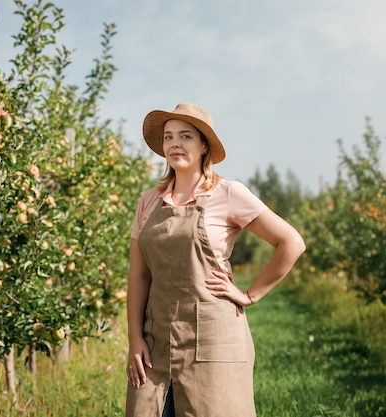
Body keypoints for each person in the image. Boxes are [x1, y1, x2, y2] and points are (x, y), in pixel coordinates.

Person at [125, 103, 306, 416]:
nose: (175, 144)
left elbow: (291, 242)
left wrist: (250, 294)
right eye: (169, 137)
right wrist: (134, 339)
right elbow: (139, 275)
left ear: (204, 145)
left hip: (212, 340)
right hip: (155, 342)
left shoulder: (228, 193)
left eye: (185, 136)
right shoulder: (149, 200)